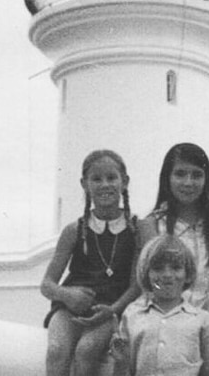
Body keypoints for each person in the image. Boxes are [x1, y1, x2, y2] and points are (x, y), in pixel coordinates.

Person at [40, 149, 141, 376]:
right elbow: (47, 284)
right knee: (56, 350)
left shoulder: (136, 229)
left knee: (87, 350)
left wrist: (113, 310)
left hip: (111, 309)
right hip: (69, 309)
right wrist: (68, 295)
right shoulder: (75, 230)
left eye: (111, 178)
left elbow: (136, 285)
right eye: (96, 179)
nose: (105, 185)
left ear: (124, 182)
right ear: (84, 184)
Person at [138, 142, 209, 319]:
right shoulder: (152, 224)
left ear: (206, 179)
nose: (188, 182)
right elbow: (150, 284)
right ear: (167, 178)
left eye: (197, 175)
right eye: (180, 174)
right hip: (167, 321)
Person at [110, 234, 209, 376]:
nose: (167, 274)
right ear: (146, 274)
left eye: (176, 268)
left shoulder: (204, 320)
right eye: (158, 268)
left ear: (187, 274)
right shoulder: (132, 316)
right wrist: (120, 362)